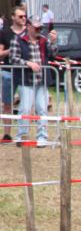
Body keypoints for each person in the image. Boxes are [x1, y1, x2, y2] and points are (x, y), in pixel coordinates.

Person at [9, 17, 55, 146]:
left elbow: (53, 54)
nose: (39, 30)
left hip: (42, 80)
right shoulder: (17, 40)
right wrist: (28, 63)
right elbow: (13, 59)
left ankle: (42, 137)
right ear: (28, 27)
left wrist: (53, 42)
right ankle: (22, 136)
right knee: (25, 109)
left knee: (42, 109)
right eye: (36, 28)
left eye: (41, 28)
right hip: (26, 80)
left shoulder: (44, 40)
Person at [1, 6, 29, 142]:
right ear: (13, 17)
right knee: (7, 103)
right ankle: (7, 133)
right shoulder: (5, 33)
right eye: (20, 16)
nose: (23, 18)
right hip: (8, 72)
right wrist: (10, 51)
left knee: (25, 104)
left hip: (25, 72)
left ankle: (22, 134)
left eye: (24, 16)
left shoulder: (29, 33)